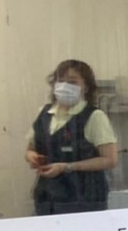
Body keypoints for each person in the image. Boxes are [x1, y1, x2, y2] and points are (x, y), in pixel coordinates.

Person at [26, 59, 118, 215]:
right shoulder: (44, 113)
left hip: (84, 198)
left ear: (86, 87)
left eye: (73, 82)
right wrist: (32, 157)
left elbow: (110, 159)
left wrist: (67, 167)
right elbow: (30, 148)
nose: (65, 86)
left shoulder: (94, 117)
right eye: (60, 81)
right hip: (48, 196)